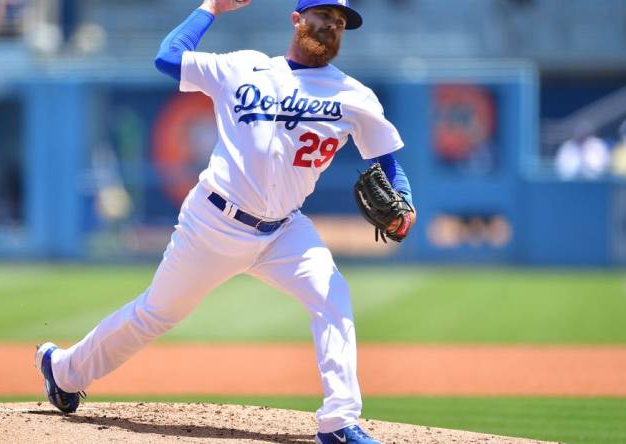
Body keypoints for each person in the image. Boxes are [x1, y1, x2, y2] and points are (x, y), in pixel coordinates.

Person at [34, 1, 415, 443]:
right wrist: (211, 7)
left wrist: (404, 203)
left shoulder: (353, 96)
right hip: (214, 222)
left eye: (339, 21)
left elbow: (389, 162)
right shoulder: (244, 67)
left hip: (284, 231)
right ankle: (63, 370)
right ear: (296, 20)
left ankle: (339, 420)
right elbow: (168, 58)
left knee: (333, 296)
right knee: (155, 314)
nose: (331, 25)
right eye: (322, 16)